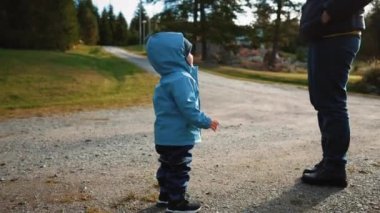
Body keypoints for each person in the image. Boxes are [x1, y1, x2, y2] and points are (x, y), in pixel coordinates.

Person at [299, 0, 373, 187]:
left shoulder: (333, 21)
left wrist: (329, 13)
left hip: (336, 33)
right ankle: (329, 161)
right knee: (322, 101)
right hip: (324, 34)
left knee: (331, 102)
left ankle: (334, 167)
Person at [146, 32, 219, 213]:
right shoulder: (181, 79)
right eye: (188, 52)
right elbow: (188, 109)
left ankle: (165, 197)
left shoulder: (165, 80)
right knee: (179, 169)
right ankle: (177, 203)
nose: (192, 56)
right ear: (177, 56)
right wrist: (206, 121)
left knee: (167, 166)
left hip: (163, 137)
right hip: (178, 136)